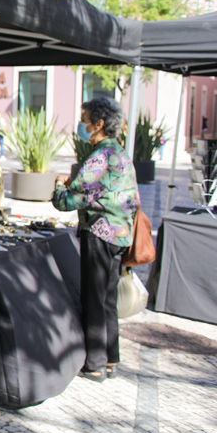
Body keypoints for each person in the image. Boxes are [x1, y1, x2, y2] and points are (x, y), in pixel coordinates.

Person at [52, 97, 137, 382]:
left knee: (94, 298)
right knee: (108, 298)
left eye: (85, 120)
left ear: (99, 124)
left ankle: (95, 363)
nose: (82, 125)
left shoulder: (100, 155)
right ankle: (111, 358)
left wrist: (58, 186)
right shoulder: (121, 153)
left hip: (100, 233)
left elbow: (68, 199)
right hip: (119, 235)